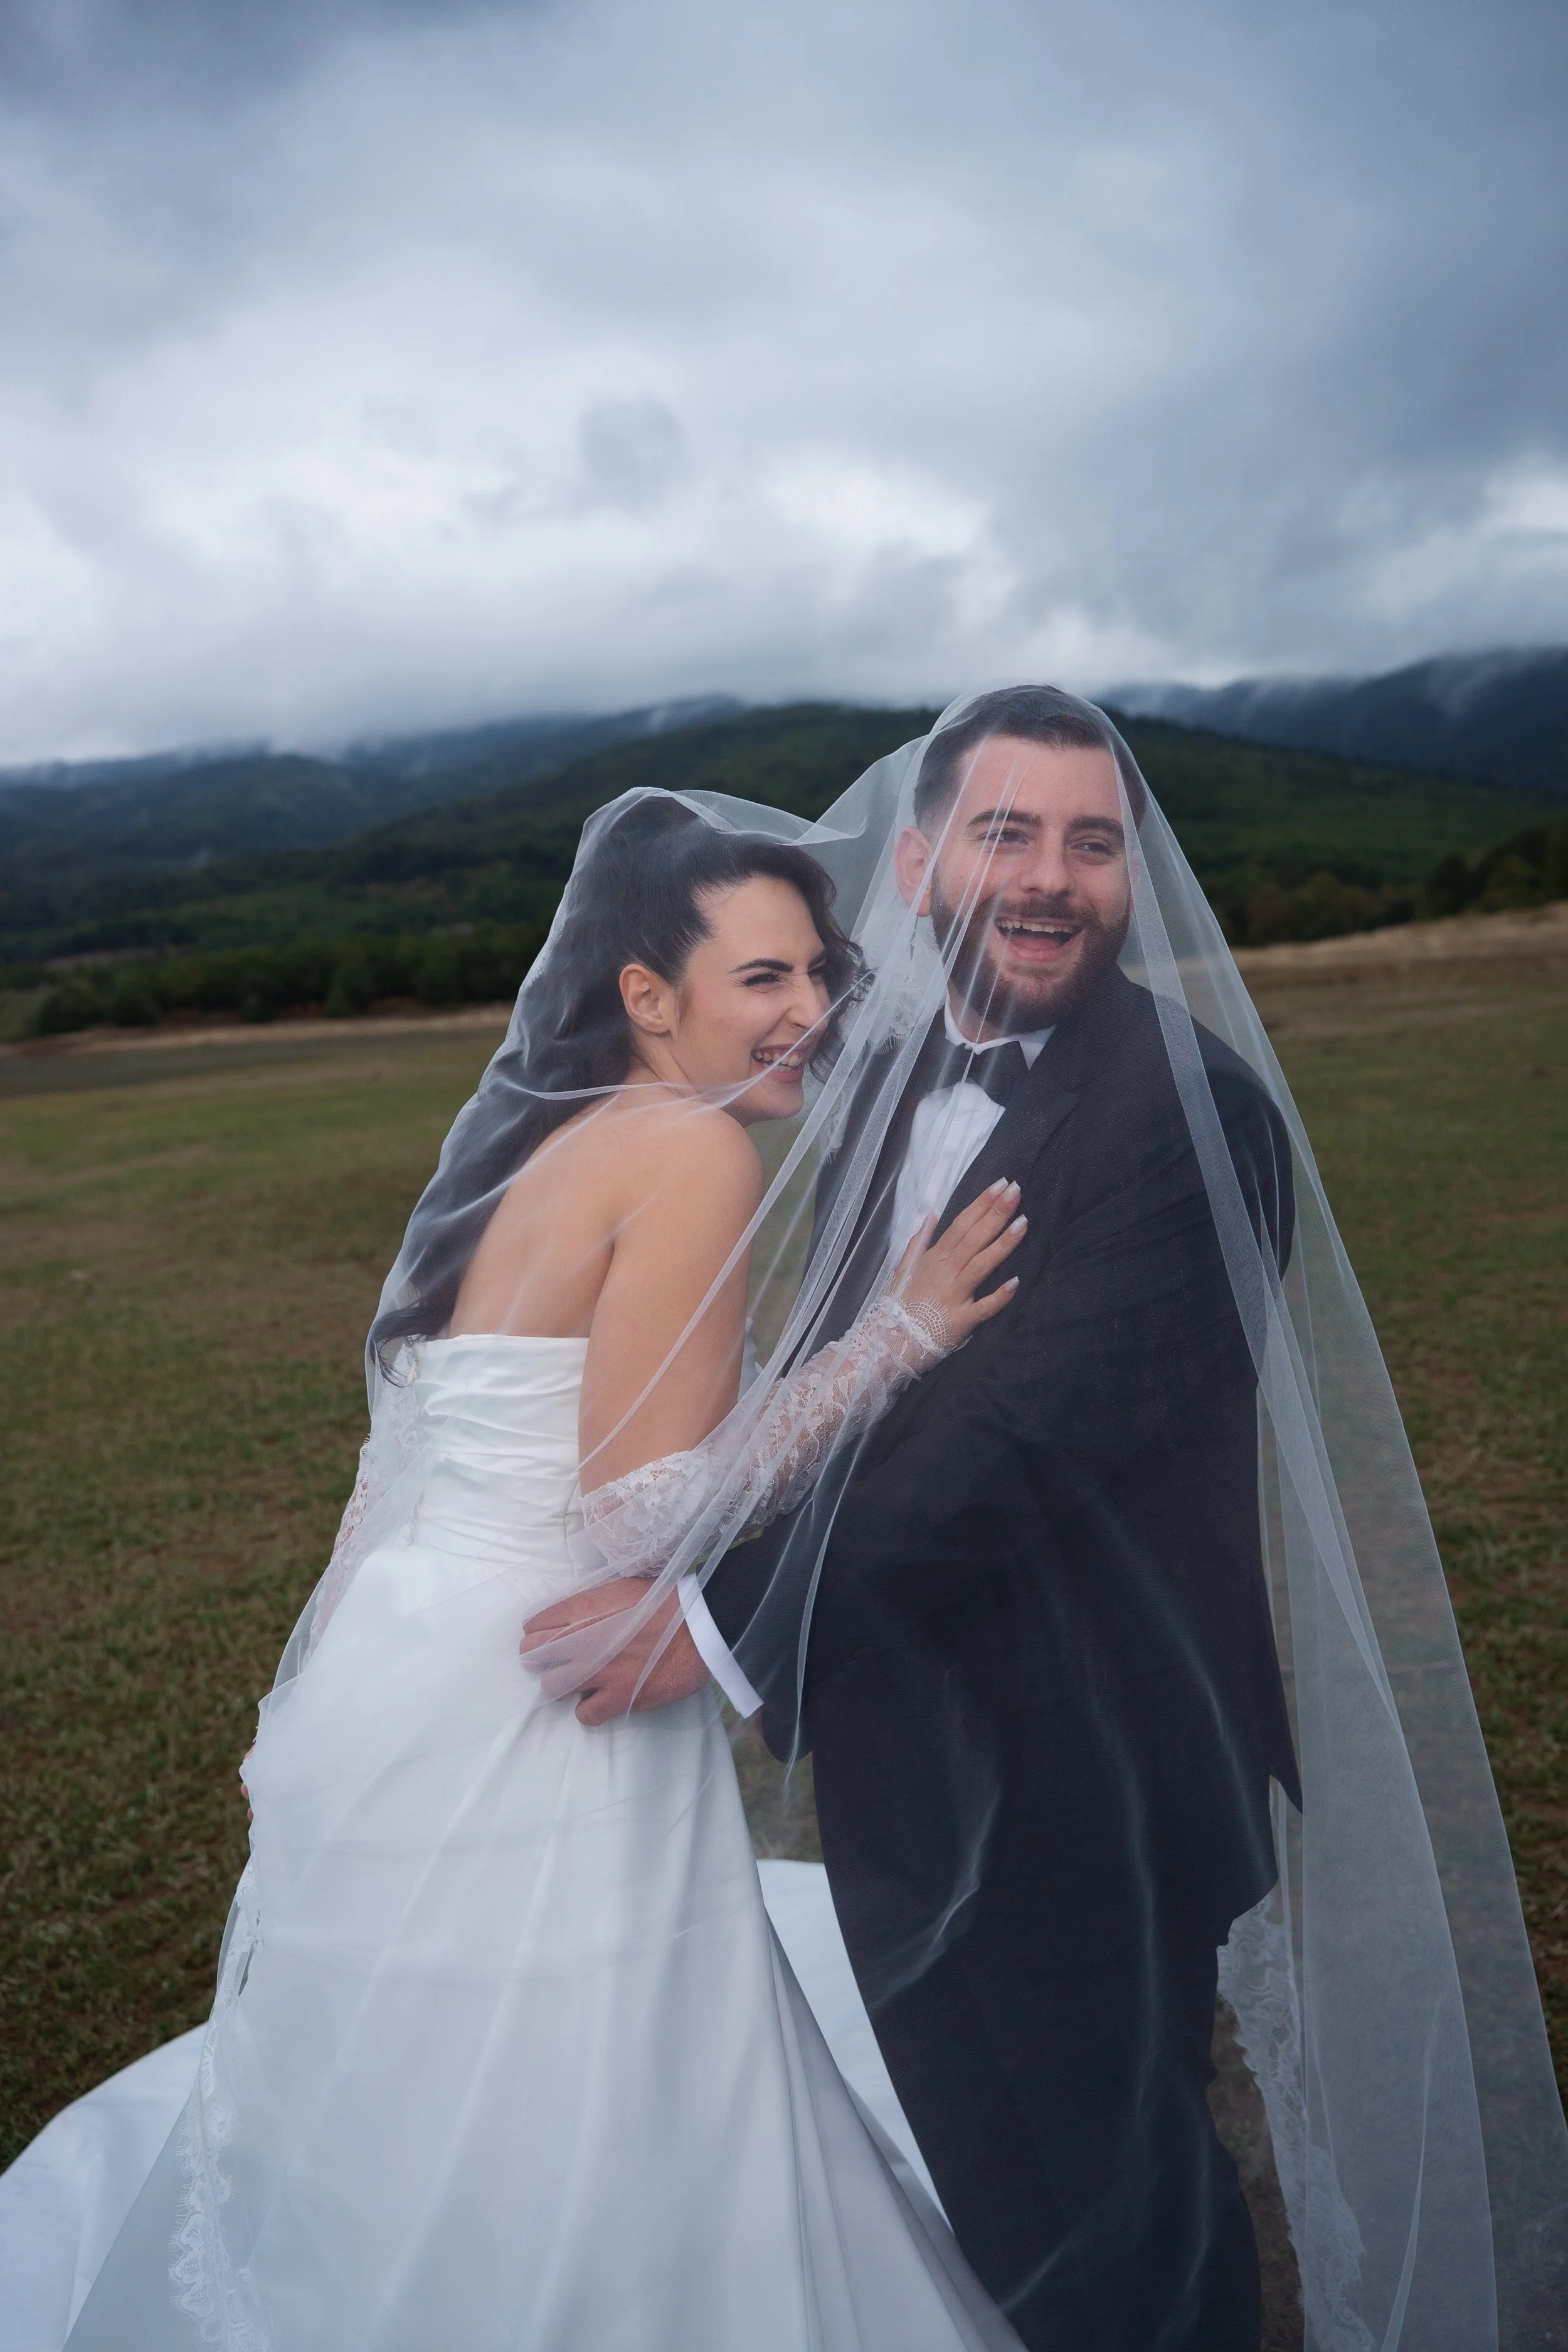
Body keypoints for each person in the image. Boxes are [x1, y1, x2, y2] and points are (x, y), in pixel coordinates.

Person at [523, 689, 1568, 2352]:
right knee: (993, 2190)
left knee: (1122, 2230)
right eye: (1008, 831)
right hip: (897, 1738)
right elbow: (838, 1358)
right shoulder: (870, 1075)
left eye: (1094, 841)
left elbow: (1020, 1441)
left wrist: (708, 1619)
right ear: (926, 855)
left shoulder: (1188, 1108)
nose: (1051, 876)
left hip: (1093, 1773)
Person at [60, 802, 1028, 2351]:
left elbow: (403, 1463)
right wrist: (891, 1343)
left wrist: (304, 1692)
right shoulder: (689, 1150)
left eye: (819, 977)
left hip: (406, 1654)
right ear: (647, 995)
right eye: (762, 979)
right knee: (600, 2075)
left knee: (429, 2074)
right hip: (540, 1684)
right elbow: (636, 1516)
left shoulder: (546, 1139)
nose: (809, 1016)